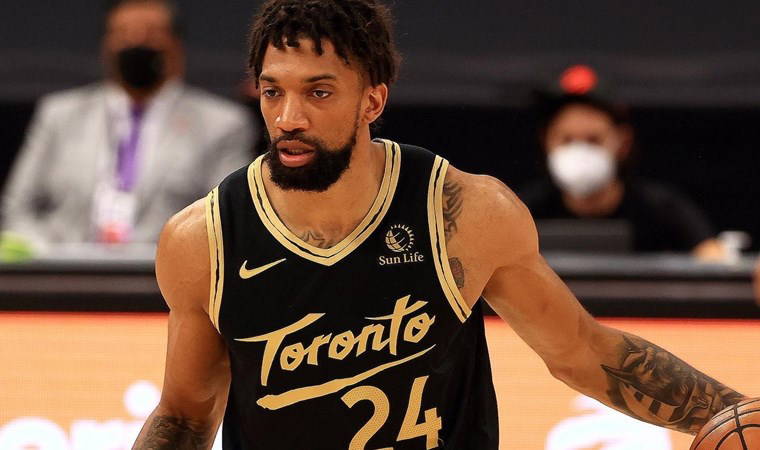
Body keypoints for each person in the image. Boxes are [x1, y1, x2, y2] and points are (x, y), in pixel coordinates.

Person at [132, 1, 749, 449]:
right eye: (273, 92)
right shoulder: (205, 239)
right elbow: (186, 417)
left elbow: (581, 351)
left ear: (372, 101)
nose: (289, 117)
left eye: (318, 93)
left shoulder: (461, 211)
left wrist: (735, 412)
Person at [0, 0, 255, 251]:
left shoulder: (221, 124)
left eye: (151, 33)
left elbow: (227, 215)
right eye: (123, 33)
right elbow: (17, 205)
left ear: (176, 45)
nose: (135, 42)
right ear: (105, 45)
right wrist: (46, 252)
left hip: (166, 267)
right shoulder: (60, 115)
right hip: (66, 264)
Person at [520, 65, 725, 260]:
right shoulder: (524, 215)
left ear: (623, 143)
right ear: (546, 142)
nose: (579, 151)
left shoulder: (663, 211)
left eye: (593, 140)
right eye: (567, 140)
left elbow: (714, 260)